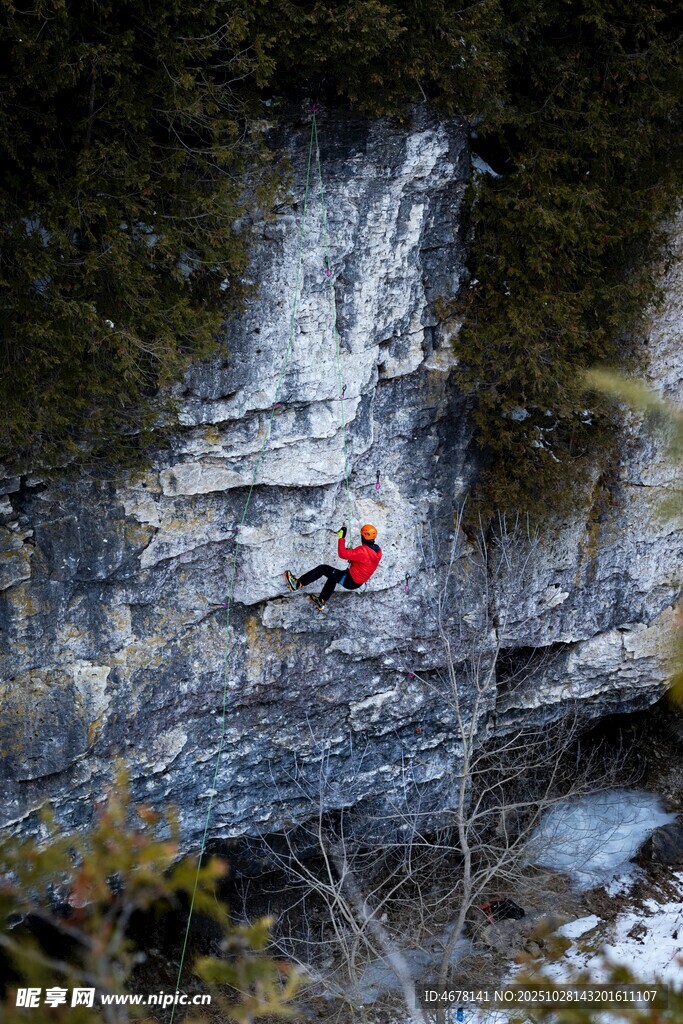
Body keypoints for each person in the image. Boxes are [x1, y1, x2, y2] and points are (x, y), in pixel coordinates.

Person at [284, 524, 382, 612]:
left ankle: (297, 584)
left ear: (363, 536)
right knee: (333, 577)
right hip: (356, 582)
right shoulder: (378, 551)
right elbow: (365, 561)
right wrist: (353, 557)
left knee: (323, 569)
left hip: (349, 579)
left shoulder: (362, 551)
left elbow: (342, 554)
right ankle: (321, 600)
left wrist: (341, 538)